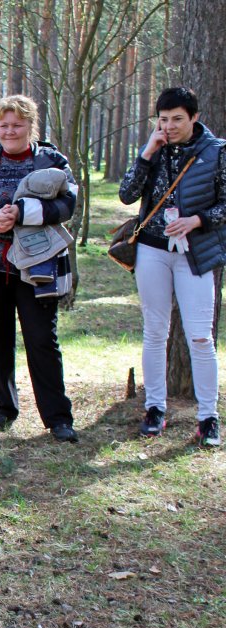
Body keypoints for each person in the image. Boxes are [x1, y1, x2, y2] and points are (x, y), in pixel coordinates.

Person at [0, 94, 79, 443]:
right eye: (4, 125)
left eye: (17, 125)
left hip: (38, 269)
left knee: (42, 341)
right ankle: (3, 409)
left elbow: (68, 203)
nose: (10, 131)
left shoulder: (51, 160)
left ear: (30, 126)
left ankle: (57, 418)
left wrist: (23, 214)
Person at [118, 86, 225, 446]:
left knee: (200, 336)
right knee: (155, 331)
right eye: (163, 120)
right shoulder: (155, 150)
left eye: (177, 119)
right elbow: (126, 194)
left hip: (196, 253)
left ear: (194, 117)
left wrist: (197, 220)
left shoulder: (217, 151)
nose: (170, 126)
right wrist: (148, 153)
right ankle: (154, 408)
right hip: (152, 250)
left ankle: (208, 416)